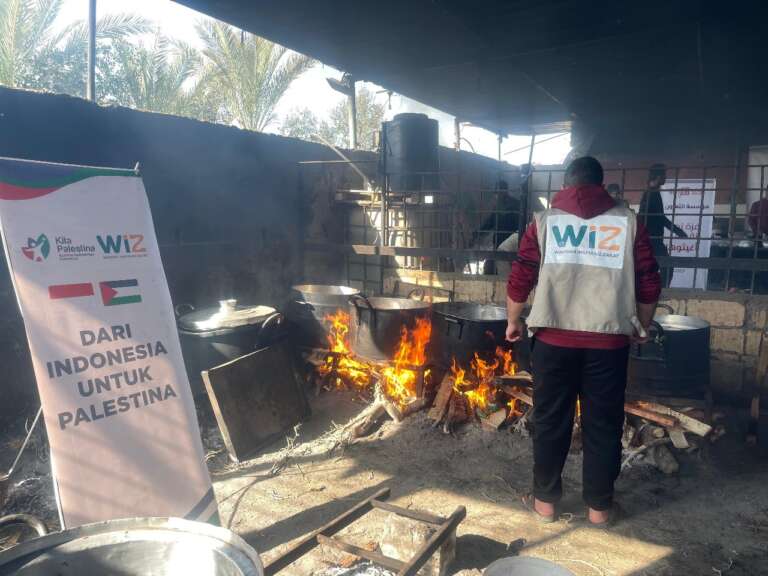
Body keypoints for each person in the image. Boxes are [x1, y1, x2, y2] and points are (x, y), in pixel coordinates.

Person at [506, 156, 661, 526]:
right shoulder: (628, 223)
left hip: (552, 342)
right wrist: (641, 325)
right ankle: (600, 509)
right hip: (608, 344)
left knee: (550, 420)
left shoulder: (544, 222)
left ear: (566, 183)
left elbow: (522, 274)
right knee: (603, 423)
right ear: (600, 185)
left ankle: (544, 503)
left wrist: (514, 320)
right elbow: (649, 279)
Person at [639, 164, 687, 287]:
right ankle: (661, 291)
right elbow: (660, 217)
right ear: (658, 176)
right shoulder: (652, 194)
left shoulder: (650, 192)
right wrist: (677, 231)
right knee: (667, 267)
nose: (665, 178)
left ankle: (655, 290)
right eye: (664, 175)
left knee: (658, 267)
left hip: (650, 238)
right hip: (653, 239)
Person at [474, 179, 521, 275]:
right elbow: (490, 222)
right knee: (491, 267)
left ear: (504, 192)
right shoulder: (500, 206)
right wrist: (477, 233)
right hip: (501, 245)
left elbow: (520, 226)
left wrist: (477, 233)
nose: (496, 196)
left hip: (510, 246)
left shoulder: (515, 205)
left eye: (498, 193)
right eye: (496, 193)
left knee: (501, 270)